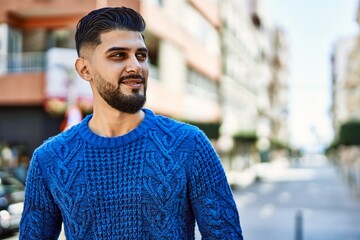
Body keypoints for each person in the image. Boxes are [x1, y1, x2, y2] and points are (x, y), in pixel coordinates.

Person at [19, 7, 244, 239]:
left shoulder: (190, 144)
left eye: (141, 55)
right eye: (118, 55)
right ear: (84, 69)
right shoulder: (49, 158)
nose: (136, 66)